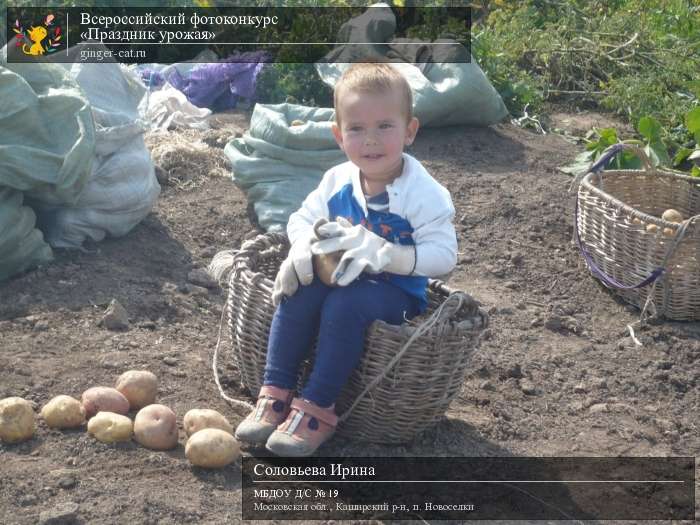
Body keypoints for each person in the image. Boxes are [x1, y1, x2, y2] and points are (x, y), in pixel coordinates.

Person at [234, 62, 457, 456]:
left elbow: (444, 256)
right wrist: (302, 245)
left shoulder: (425, 193)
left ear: (410, 131)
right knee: (298, 289)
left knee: (346, 304)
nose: (370, 140)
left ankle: (318, 407)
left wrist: (390, 255)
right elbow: (302, 218)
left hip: (396, 289)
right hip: (341, 274)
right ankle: (275, 393)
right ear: (338, 135)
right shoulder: (337, 180)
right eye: (356, 128)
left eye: (385, 126)